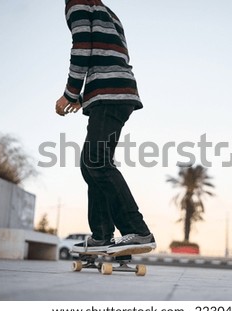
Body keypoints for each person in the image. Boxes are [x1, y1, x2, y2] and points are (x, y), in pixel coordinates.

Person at [55, 0, 156, 254]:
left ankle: (138, 231)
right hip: (117, 91)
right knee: (91, 162)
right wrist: (82, 97)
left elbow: (82, 49)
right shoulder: (107, 11)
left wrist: (70, 92)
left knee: (96, 160)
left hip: (110, 93)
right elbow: (109, 54)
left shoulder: (78, 4)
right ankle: (102, 235)